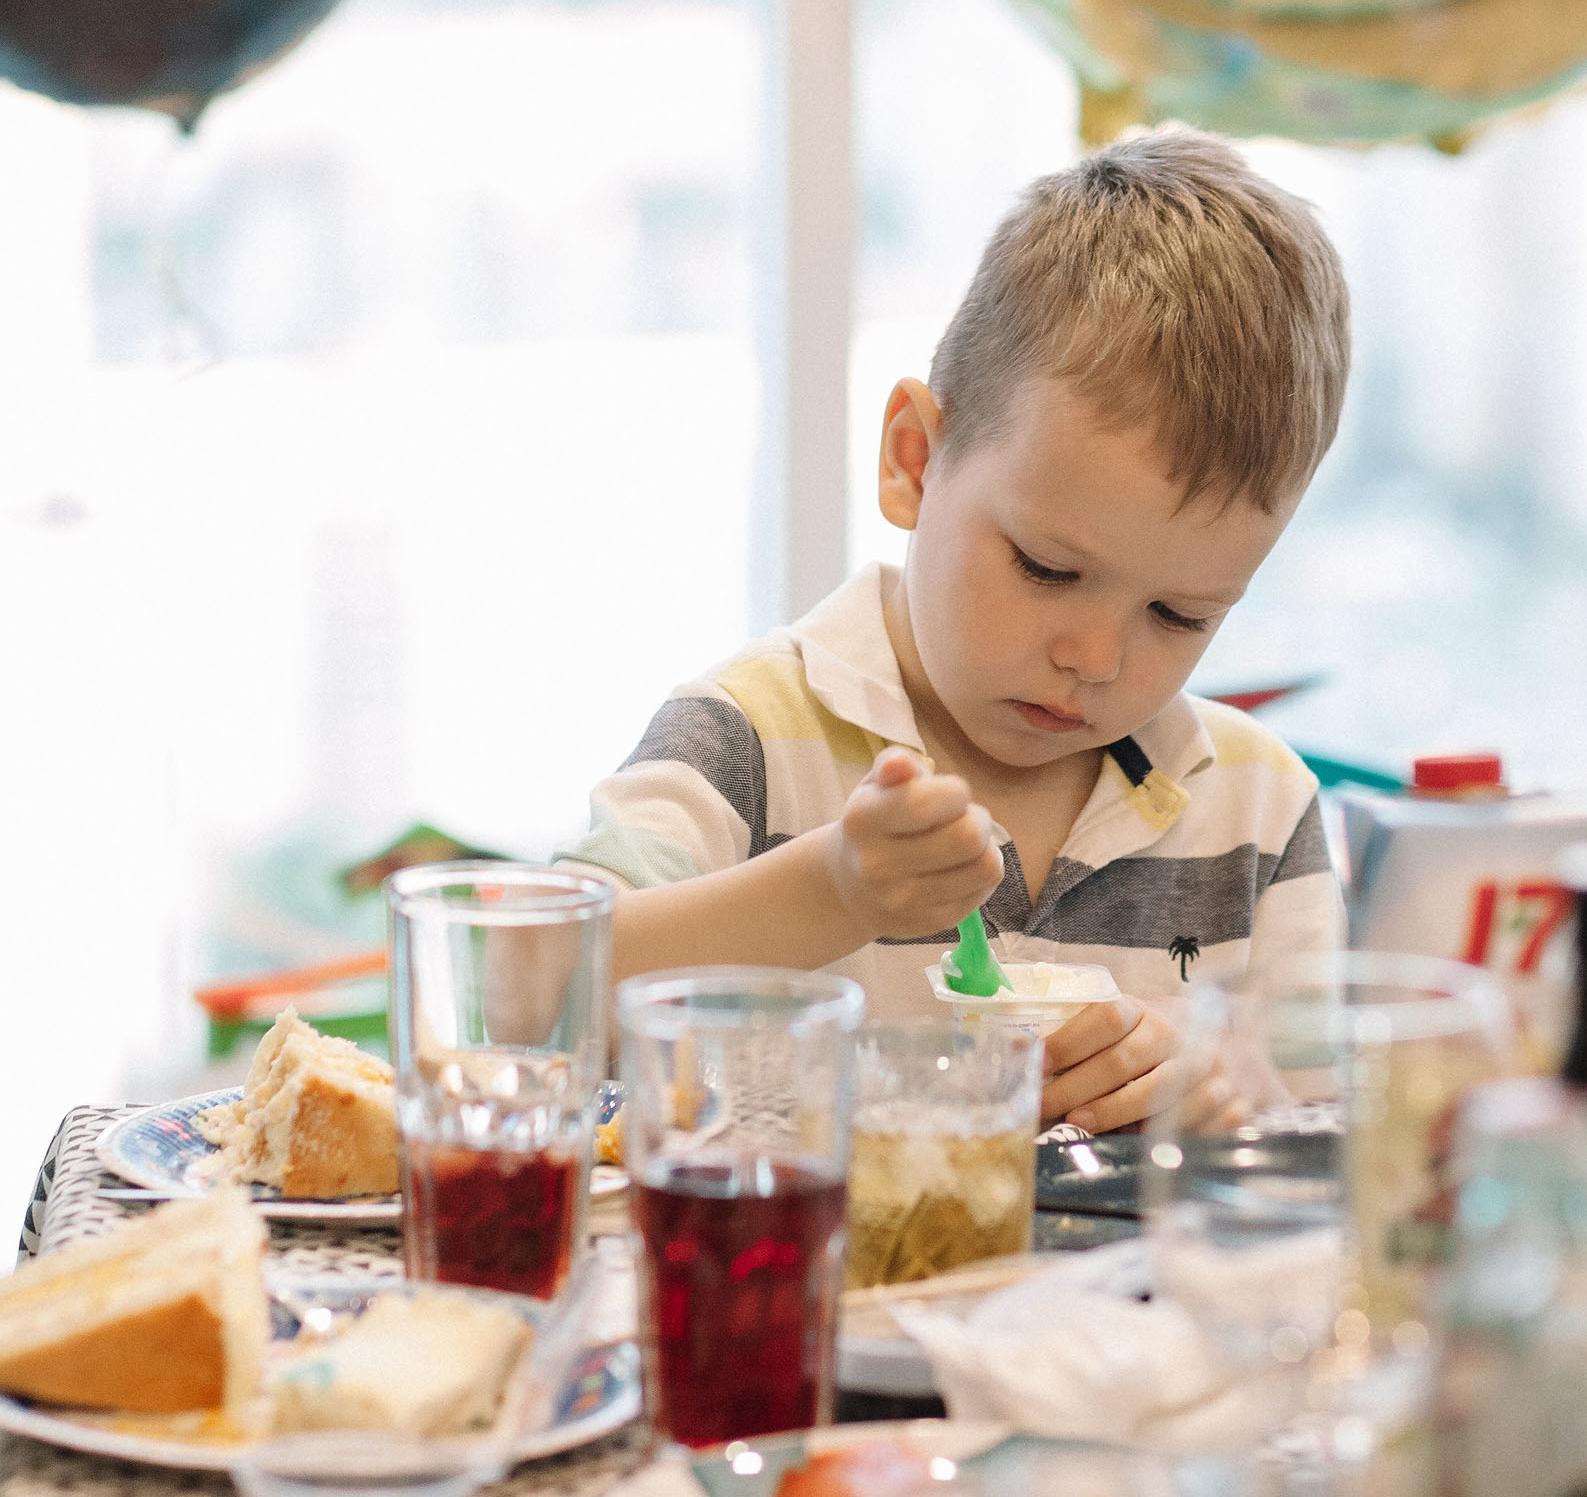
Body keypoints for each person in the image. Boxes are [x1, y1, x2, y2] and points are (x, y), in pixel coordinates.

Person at [562, 126, 1350, 1133]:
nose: (1095, 659)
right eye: (1047, 568)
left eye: (1179, 614)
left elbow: (1328, 1141)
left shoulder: (1260, 813)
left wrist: (1219, 1081)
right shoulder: (749, 740)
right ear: (913, 459)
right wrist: (830, 889)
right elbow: (532, 999)